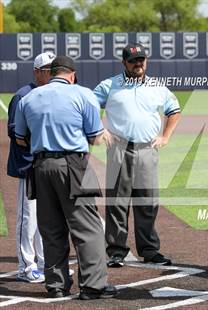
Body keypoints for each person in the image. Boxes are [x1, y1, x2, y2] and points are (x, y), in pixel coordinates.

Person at [14, 56, 117, 300]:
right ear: (71, 74)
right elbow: (94, 136)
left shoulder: (28, 98)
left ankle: (56, 285)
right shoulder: (82, 94)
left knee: (51, 228)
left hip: (40, 166)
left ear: (50, 73)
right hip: (73, 164)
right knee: (87, 227)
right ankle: (93, 286)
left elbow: (20, 138)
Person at [94, 43, 181, 267]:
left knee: (148, 201)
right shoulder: (109, 85)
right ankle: (116, 250)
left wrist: (165, 136)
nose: (138, 63)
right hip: (119, 148)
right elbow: (88, 107)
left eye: (141, 59)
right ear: (124, 63)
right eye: (133, 61)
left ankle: (150, 250)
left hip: (147, 149)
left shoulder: (157, 86)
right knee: (117, 202)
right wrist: (100, 130)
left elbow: (174, 110)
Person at [7, 52, 56, 283]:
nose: (51, 73)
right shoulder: (22, 96)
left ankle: (46, 263)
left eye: (53, 69)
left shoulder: (54, 93)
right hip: (29, 166)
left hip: (47, 166)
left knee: (45, 218)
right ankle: (26, 267)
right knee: (28, 218)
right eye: (47, 69)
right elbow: (16, 133)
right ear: (37, 72)